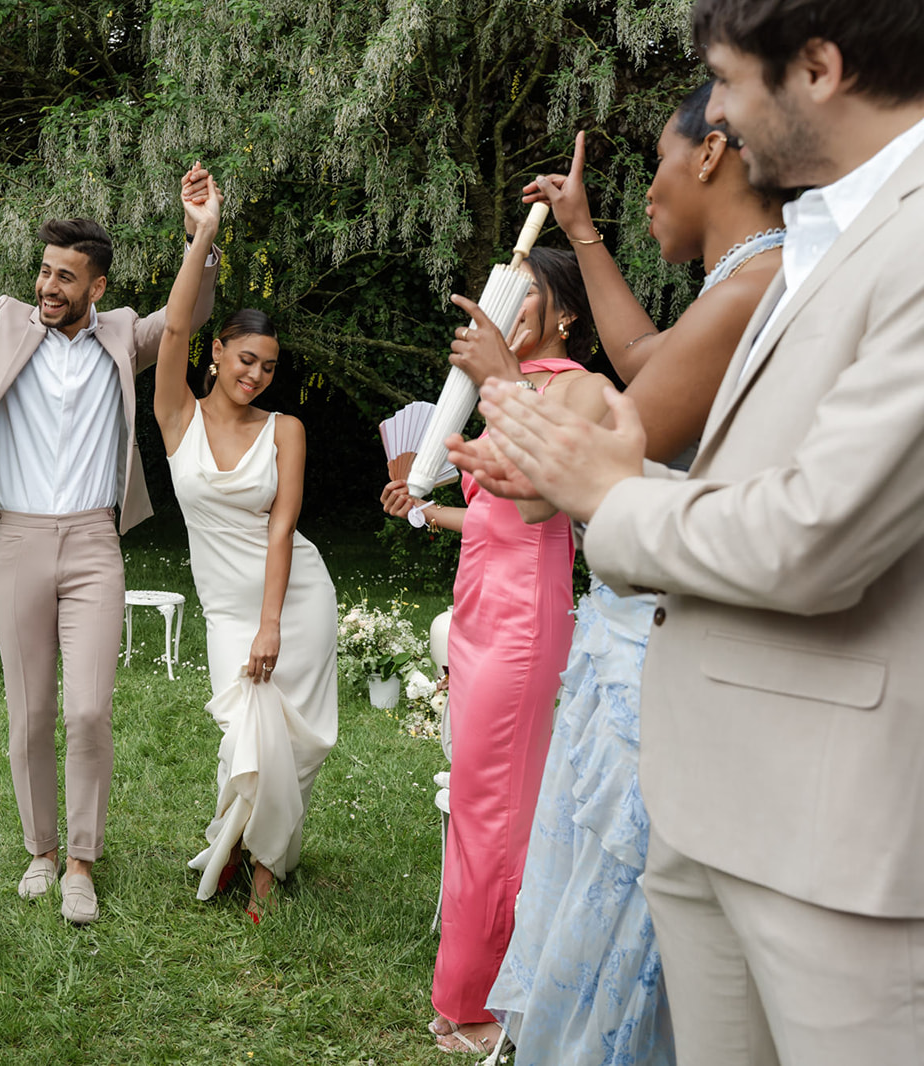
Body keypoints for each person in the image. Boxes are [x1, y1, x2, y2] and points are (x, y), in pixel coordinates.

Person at [454, 1, 924, 1060]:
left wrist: (610, 495)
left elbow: (816, 531)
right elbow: (680, 418)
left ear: (817, 67)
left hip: (834, 841)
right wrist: (587, 435)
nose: (715, 116)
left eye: (724, 81)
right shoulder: (821, 232)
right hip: (709, 803)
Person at [461, 84, 785, 1066]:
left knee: (627, 907)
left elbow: (626, 424)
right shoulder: (740, 277)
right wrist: (583, 228)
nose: (646, 188)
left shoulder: (756, 283)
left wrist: (500, 386)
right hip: (628, 627)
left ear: (713, 155)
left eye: (654, 162)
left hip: (655, 632)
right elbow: (648, 359)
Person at [0, 109, 220, 924]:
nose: (48, 287)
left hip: (91, 543)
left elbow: (189, 317)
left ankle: (82, 859)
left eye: (64, 278)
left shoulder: (122, 336)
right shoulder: (5, 324)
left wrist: (202, 240)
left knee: (88, 709)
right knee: (30, 709)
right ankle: (41, 851)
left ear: (97, 286)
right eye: (43, 272)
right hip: (15, 540)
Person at [381, 247, 610, 1055]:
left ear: (566, 312)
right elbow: (491, 517)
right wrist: (421, 508)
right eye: (503, 296)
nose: (510, 309)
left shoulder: (577, 386)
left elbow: (549, 499)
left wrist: (501, 379)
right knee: (478, 798)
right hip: (476, 606)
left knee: (498, 807)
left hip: (523, 618)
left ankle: (489, 1003)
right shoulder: (505, 387)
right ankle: (462, 989)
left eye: (527, 296)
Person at [153, 176, 339, 921]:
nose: (255, 374)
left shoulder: (285, 430)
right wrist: (203, 236)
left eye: (268, 366)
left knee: (294, 743)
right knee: (245, 736)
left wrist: (273, 624)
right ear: (218, 350)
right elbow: (170, 331)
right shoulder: (177, 418)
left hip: (294, 597)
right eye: (244, 358)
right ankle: (239, 846)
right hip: (226, 606)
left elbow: (282, 525)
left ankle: (262, 865)